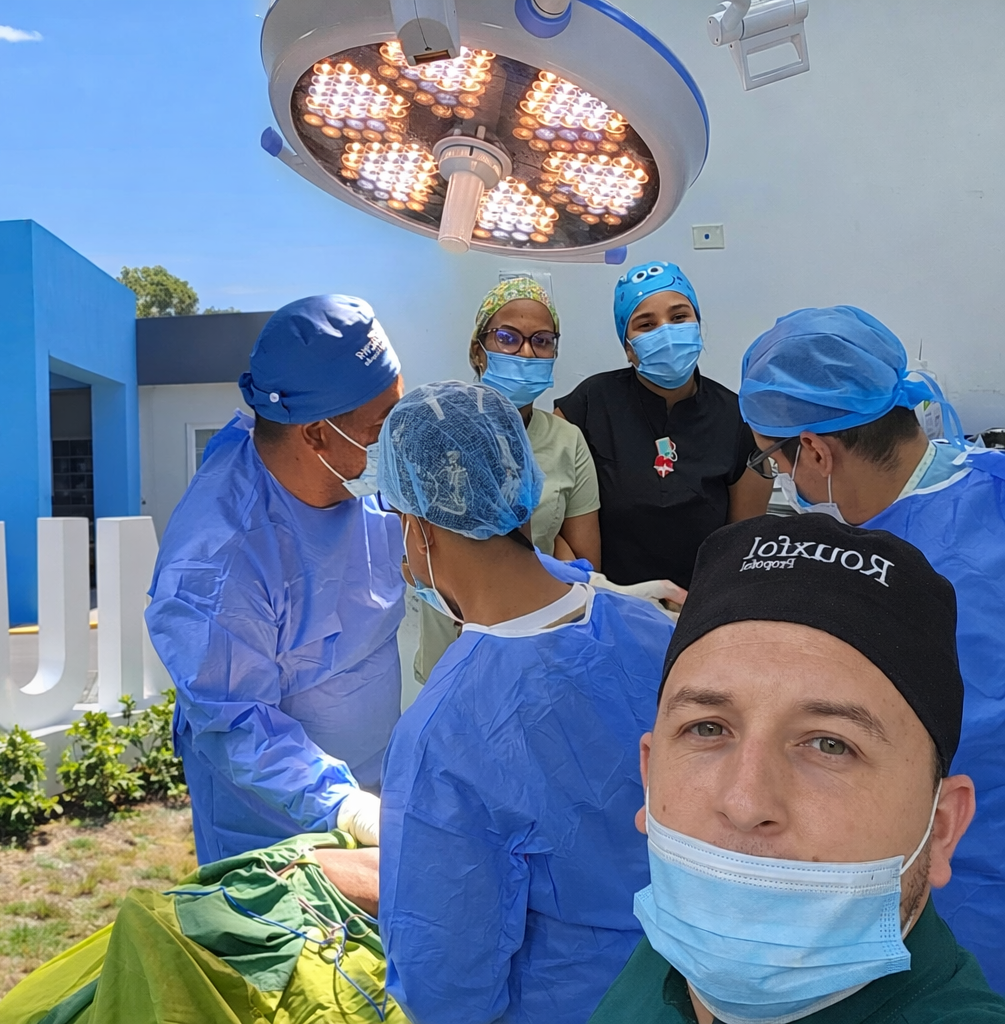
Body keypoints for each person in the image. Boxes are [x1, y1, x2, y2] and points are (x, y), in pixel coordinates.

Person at [591, 513, 1005, 1023]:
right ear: (649, 777)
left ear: (940, 829)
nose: (745, 804)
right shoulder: (680, 949)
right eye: (707, 728)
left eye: (831, 744)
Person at [375, 381, 675, 1024]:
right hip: (696, 987)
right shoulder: (651, 629)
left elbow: (444, 982)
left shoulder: (445, 733)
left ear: (418, 528)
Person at [737, 304, 1005, 988]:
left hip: (966, 882)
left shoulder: (889, 558)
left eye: (772, 461)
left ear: (816, 452)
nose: (782, 482)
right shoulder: (985, 485)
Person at [146, 295, 405, 867]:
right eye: (383, 426)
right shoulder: (219, 560)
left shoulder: (360, 474)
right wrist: (345, 806)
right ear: (315, 434)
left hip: (379, 778)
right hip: (278, 829)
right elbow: (236, 723)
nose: (397, 440)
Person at [414, 276, 603, 685]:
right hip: (453, 639)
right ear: (477, 350)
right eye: (508, 338)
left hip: (540, 640)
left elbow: (584, 566)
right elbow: (414, 551)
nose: (527, 352)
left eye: (542, 341)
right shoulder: (435, 428)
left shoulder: (566, 440)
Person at [554, 261, 769, 588]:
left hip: (701, 602)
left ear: (698, 326)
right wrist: (587, 593)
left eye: (679, 317)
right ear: (628, 348)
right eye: (646, 324)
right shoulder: (587, 406)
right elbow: (550, 517)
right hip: (607, 599)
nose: (666, 332)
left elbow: (743, 544)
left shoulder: (738, 419)